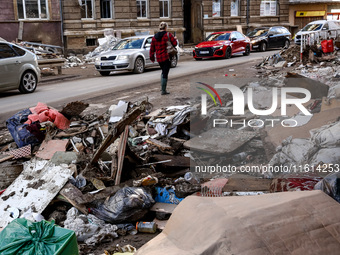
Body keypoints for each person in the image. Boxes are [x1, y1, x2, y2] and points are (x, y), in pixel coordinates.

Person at [150, 22, 177, 95]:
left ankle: (162, 88)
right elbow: (175, 44)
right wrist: (174, 39)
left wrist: (152, 57)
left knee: (163, 71)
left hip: (159, 58)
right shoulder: (168, 35)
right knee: (165, 73)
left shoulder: (154, 37)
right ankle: (163, 90)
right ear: (165, 28)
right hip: (166, 57)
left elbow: (152, 48)